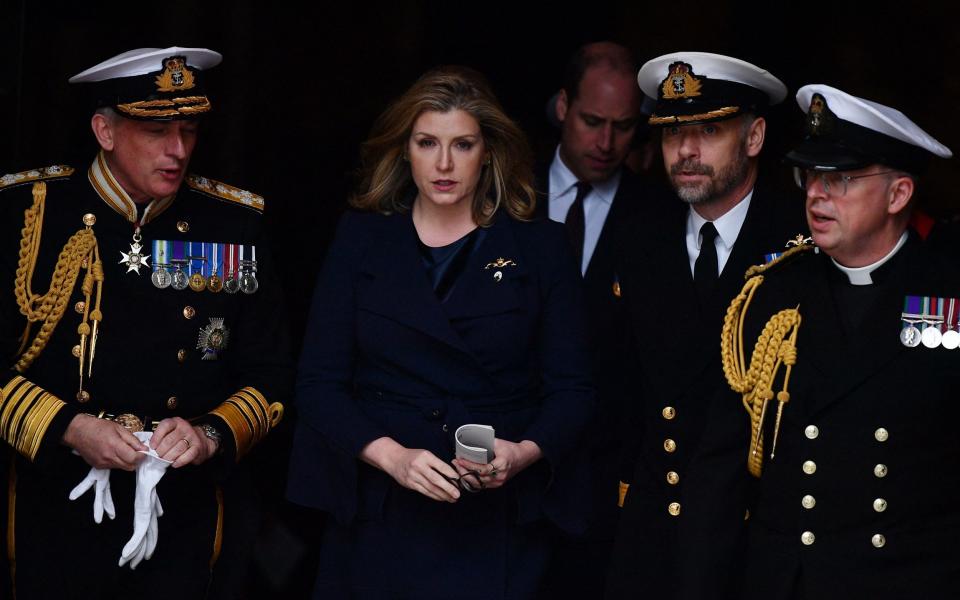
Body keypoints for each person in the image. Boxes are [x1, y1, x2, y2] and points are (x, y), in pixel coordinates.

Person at [286, 66, 595, 599]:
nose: (445, 164)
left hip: (494, 527)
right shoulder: (361, 237)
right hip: (379, 518)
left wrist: (522, 453)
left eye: (463, 144)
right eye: (428, 142)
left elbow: (575, 390)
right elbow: (318, 384)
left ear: (489, 151)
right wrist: (393, 458)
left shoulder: (540, 247)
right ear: (405, 149)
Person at [0, 47, 292, 599]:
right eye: (157, 131)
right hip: (53, 507)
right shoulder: (26, 212)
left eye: (188, 130)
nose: (178, 150)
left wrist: (209, 434)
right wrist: (69, 426)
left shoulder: (233, 223)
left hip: (185, 514)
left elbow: (273, 372)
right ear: (104, 131)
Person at [721, 85, 954, 599]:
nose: (815, 194)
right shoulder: (773, 292)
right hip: (789, 580)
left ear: (899, 195)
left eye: (841, 179)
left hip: (908, 577)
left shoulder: (948, 291)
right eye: (810, 176)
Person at [607, 52, 807, 600]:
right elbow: (615, 391)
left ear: (755, 136)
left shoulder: (802, 243)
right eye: (673, 134)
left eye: (710, 130)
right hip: (655, 536)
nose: (686, 152)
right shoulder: (638, 238)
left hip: (755, 544)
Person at [537, 41, 664, 596]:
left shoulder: (659, 216)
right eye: (592, 121)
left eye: (624, 126)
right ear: (563, 105)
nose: (607, 143)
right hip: (493, 462)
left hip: (600, 481)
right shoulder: (502, 191)